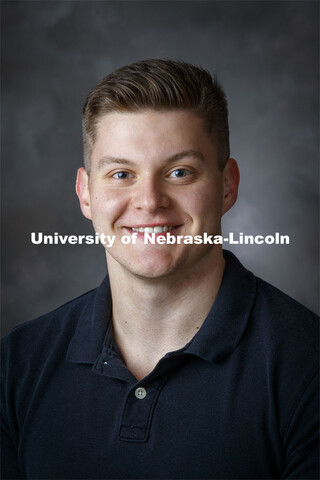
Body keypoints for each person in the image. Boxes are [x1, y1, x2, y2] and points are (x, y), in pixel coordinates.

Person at [1, 59, 318, 480]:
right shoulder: (15, 366)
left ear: (227, 185)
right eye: (121, 173)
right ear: (86, 194)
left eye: (180, 172)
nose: (149, 200)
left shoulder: (308, 366)